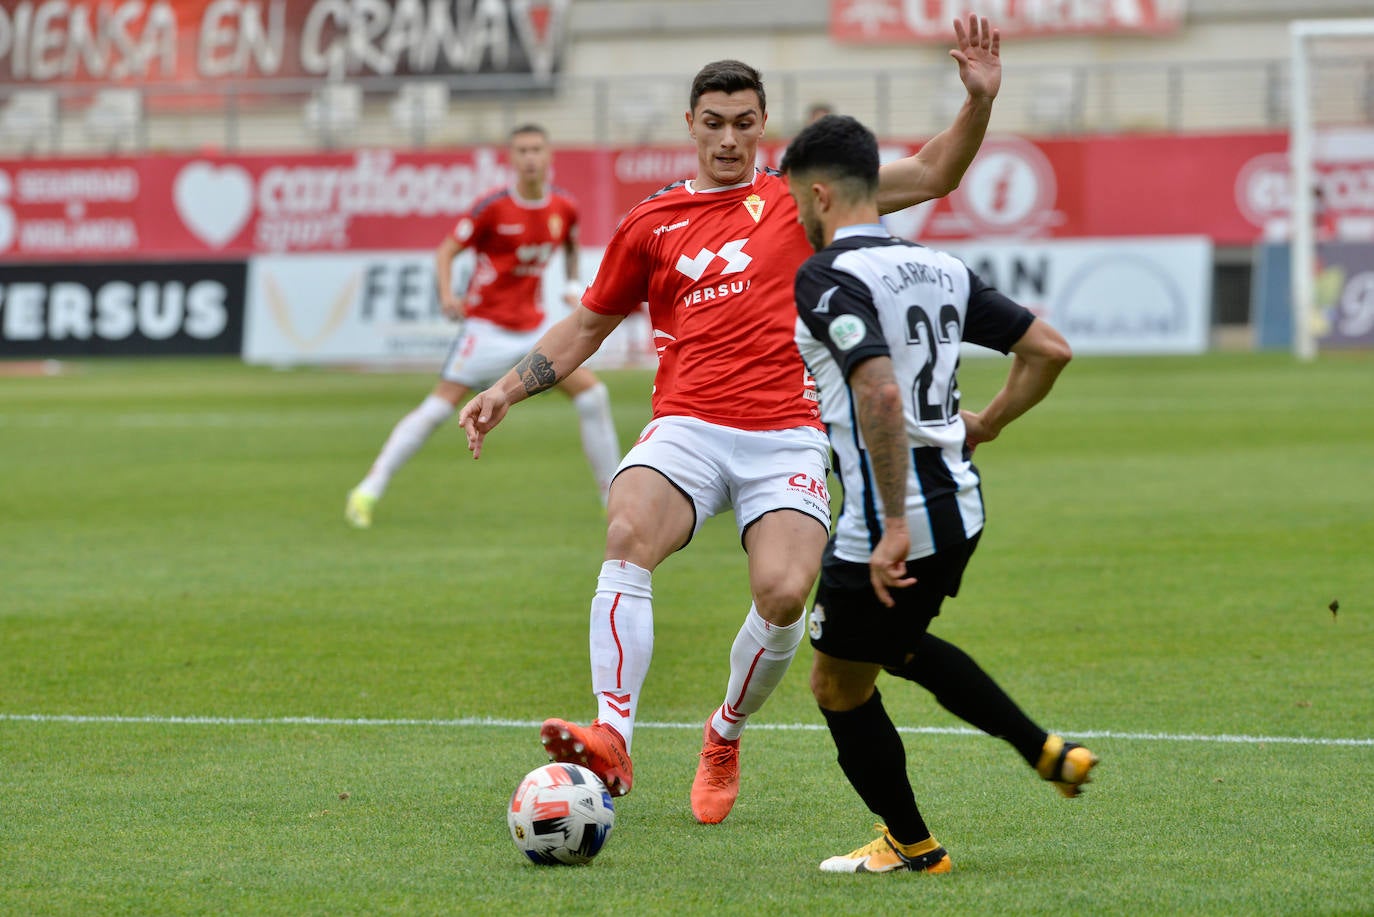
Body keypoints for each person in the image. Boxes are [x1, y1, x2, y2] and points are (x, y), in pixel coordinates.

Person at [459, 15, 1003, 825]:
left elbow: (931, 172)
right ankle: (612, 735)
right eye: (712, 124)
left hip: (787, 431)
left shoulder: (806, 197)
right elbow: (586, 325)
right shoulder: (650, 224)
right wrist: (507, 387)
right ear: (691, 126)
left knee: (785, 593)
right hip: (688, 424)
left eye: (743, 124)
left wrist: (980, 103)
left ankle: (725, 729)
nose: (727, 139)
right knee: (625, 533)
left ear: (763, 124)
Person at [782, 113, 1097, 874]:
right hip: (961, 505)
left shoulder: (826, 276)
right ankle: (1043, 751)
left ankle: (914, 844)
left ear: (820, 194)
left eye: (797, 198)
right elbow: (1049, 350)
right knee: (891, 648)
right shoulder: (938, 268)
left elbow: (880, 395)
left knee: (835, 681)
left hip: (889, 521)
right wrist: (987, 419)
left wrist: (889, 523)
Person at [344, 124, 621, 528]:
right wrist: (446, 295)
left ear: (549, 157)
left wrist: (573, 286)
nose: (530, 158)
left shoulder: (564, 207)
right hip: (486, 331)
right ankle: (367, 490)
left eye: (537, 150)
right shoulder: (491, 208)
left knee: (594, 397)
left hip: (532, 332)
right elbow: (447, 250)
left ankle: (612, 498)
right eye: (522, 150)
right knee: (437, 409)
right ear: (511, 158)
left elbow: (572, 249)